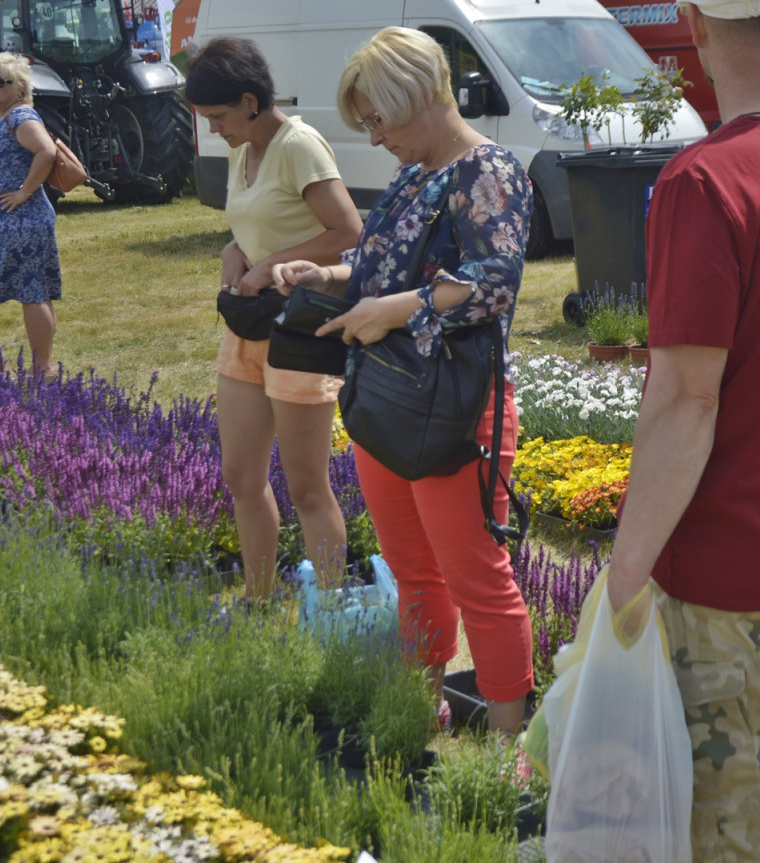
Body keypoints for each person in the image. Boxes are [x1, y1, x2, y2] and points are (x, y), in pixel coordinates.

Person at [272, 27, 535, 749]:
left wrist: (398, 306)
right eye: (365, 124)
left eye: (377, 119)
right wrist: (326, 276)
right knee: (416, 573)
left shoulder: (487, 170)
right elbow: (375, 258)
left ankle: (513, 751)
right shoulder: (419, 171)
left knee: (478, 577)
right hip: (390, 398)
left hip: (456, 405)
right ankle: (421, 715)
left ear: (416, 96)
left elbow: (495, 283)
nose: (374, 135)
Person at [604, 0, 760, 857]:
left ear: (696, 25)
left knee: (740, 832)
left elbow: (688, 397)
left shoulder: (707, 180)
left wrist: (626, 572)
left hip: (737, 580)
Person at [184, 37, 363, 601]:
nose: (214, 128)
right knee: (241, 477)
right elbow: (263, 222)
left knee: (309, 488)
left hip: (303, 330)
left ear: (249, 100)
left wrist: (268, 267)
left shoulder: (299, 144)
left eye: (218, 116)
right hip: (249, 328)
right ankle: (260, 602)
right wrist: (236, 251)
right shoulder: (243, 149)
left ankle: (332, 614)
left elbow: (348, 232)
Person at [0, 52, 62, 379]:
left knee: (32, 293)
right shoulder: (1, 116)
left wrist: (24, 190)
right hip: (13, 222)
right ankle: (43, 365)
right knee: (35, 292)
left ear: (19, 87)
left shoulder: (20, 117)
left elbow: (46, 151)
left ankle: (43, 368)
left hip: (25, 220)